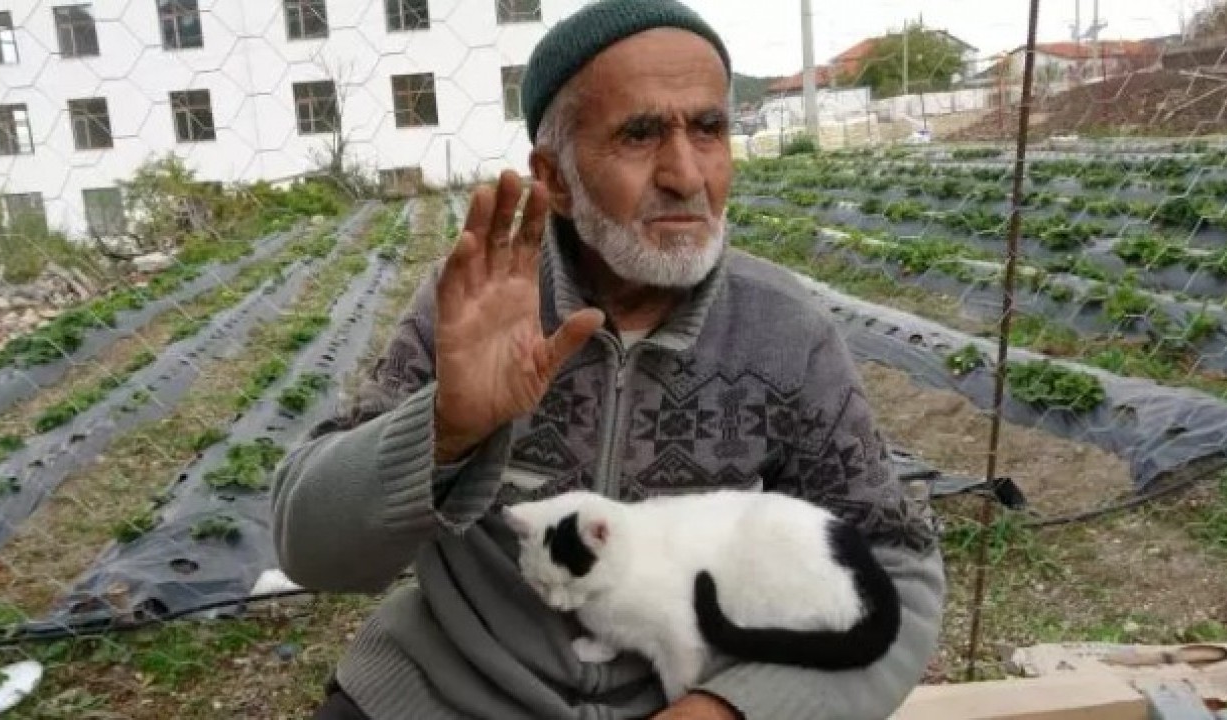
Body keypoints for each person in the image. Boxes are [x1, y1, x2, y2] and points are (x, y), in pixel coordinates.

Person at [271, 1, 945, 718]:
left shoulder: (783, 334)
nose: (686, 174)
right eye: (640, 133)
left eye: (710, 128)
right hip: (445, 695)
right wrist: (443, 430)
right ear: (553, 176)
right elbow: (310, 549)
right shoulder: (473, 311)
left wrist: (733, 707)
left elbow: (896, 569)